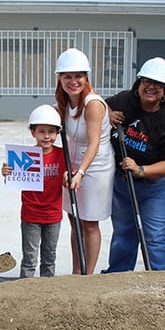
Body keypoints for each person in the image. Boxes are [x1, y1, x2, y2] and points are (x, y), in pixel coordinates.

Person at [103, 57, 165, 272]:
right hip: (123, 183)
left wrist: (141, 170)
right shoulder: (124, 101)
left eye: (157, 84)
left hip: (156, 186)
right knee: (123, 234)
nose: (151, 87)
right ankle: (118, 277)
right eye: (146, 81)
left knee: (157, 238)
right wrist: (107, 114)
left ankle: (162, 284)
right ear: (138, 84)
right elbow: (97, 105)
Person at [54, 48, 115, 274]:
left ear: (86, 77)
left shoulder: (93, 104)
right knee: (73, 219)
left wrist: (80, 172)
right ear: (59, 78)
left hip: (95, 167)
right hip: (73, 164)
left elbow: (93, 143)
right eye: (67, 76)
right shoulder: (64, 102)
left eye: (78, 76)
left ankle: (87, 276)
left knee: (89, 222)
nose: (73, 81)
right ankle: (76, 272)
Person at [1, 105, 66, 278]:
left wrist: (70, 178)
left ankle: (47, 292)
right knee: (29, 259)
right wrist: (7, 173)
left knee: (49, 257)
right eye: (42, 131)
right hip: (31, 215)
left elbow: (68, 179)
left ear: (57, 133)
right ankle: (24, 294)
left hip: (53, 215)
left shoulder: (62, 155)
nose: (46, 136)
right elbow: (12, 178)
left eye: (51, 132)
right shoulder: (24, 155)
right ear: (33, 132)